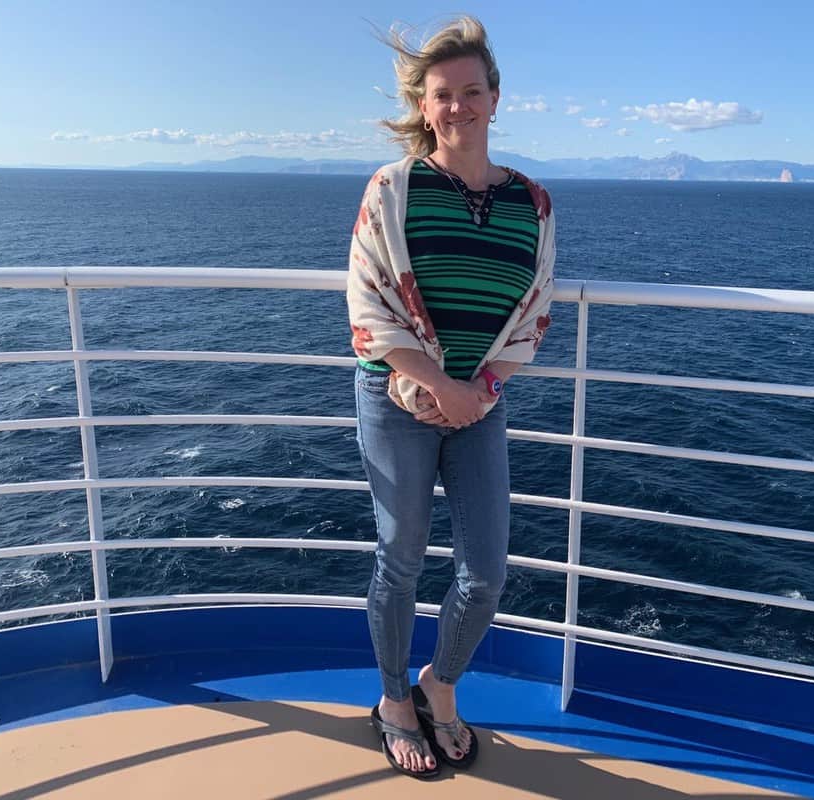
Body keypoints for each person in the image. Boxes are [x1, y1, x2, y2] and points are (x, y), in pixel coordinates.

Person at [346, 16, 555, 779]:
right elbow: (367, 304)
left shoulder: (530, 203)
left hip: (480, 405)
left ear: (495, 99)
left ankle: (441, 683)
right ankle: (395, 701)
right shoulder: (394, 188)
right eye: (443, 95)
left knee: (486, 571)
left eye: (472, 91)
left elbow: (532, 313)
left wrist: (481, 389)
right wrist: (439, 386)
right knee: (400, 558)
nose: (458, 106)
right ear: (424, 105)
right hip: (395, 400)